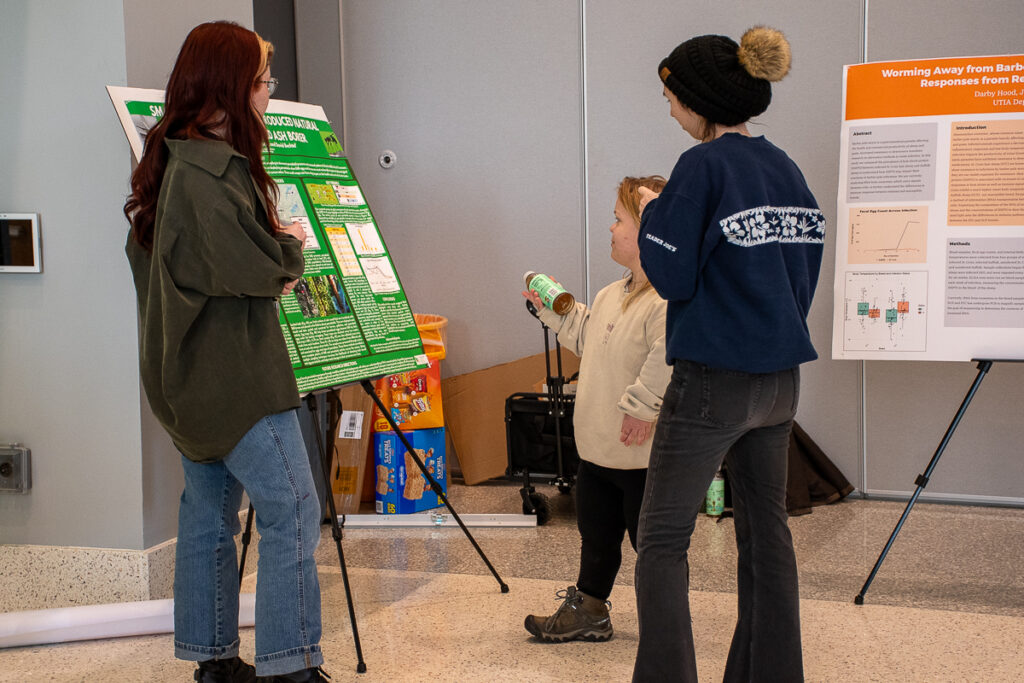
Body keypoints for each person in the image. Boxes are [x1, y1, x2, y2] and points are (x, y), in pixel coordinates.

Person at [123, 21, 329, 683]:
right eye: (263, 80)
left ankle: (215, 660)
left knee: (209, 513)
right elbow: (257, 266)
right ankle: (290, 666)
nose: (271, 91)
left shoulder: (172, 161)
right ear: (229, 87)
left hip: (184, 378)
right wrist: (290, 242)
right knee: (293, 507)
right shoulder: (210, 175)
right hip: (235, 377)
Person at [631, 27, 825, 682]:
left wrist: (655, 213)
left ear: (698, 100)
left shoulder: (701, 168)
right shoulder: (785, 168)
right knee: (766, 535)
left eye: (670, 95)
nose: (668, 107)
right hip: (779, 382)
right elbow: (803, 270)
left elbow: (671, 276)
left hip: (714, 380)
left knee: (660, 542)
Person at [521, 176, 672, 643]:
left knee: (652, 547)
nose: (610, 228)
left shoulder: (668, 302)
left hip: (640, 461)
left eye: (618, 219)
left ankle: (667, 627)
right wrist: (552, 310)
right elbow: (588, 335)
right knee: (596, 537)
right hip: (598, 453)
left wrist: (643, 409)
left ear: (648, 231)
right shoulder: (613, 294)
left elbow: (668, 359)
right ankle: (589, 610)